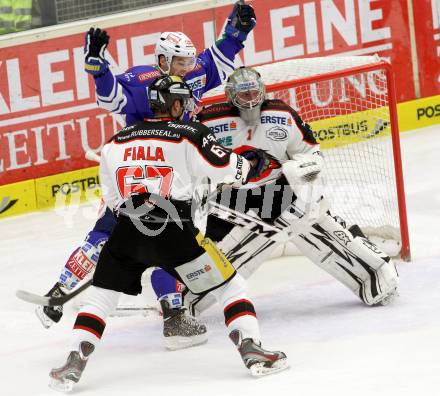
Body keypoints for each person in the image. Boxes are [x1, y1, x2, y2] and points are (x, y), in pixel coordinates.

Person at [36, 1, 257, 349]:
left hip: (175, 174)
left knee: (165, 240)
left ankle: (173, 313)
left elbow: (219, 54)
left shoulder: (194, 71)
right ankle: (64, 286)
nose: (189, 67)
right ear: (163, 60)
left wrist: (237, 29)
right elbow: (111, 97)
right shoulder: (141, 81)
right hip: (139, 173)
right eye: (181, 62)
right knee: (114, 231)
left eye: (189, 60)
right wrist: (97, 70)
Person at [48, 76, 288, 392]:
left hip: (126, 235)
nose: (187, 107)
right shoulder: (189, 134)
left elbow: (112, 199)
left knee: (100, 299)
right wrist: (254, 163)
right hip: (176, 235)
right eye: (183, 102)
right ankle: (251, 348)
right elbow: (234, 171)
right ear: (174, 105)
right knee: (231, 286)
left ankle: (73, 363)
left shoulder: (116, 140)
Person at [183, 66, 399, 315]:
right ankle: (184, 300)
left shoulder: (282, 114)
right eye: (244, 95)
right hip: (230, 199)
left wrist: (299, 170)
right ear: (231, 96)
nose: (251, 99)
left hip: (279, 192)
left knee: (320, 230)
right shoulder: (209, 121)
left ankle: (374, 273)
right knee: (219, 251)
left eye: (254, 92)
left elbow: (312, 154)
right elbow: (193, 162)